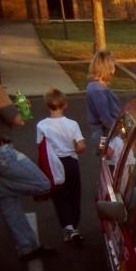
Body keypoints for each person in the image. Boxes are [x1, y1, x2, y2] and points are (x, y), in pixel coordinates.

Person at [0, 42, 56, 261]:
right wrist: (21, 108)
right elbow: (17, 120)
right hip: (0, 153)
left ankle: (27, 247)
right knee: (42, 183)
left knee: (9, 203)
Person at [36, 88, 86, 245]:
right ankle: (74, 224)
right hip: (71, 162)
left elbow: (40, 146)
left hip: (53, 164)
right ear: (65, 105)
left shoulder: (41, 125)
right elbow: (81, 146)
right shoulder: (72, 124)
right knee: (74, 194)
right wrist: (74, 148)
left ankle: (69, 228)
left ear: (47, 105)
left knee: (59, 196)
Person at [86, 49, 122, 156]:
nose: (114, 68)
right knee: (109, 160)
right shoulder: (97, 90)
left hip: (106, 134)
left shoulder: (97, 87)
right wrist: (120, 132)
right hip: (106, 136)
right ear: (107, 68)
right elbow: (105, 118)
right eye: (113, 65)